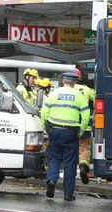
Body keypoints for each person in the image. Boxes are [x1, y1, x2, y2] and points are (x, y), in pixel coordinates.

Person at [40, 72, 89, 201]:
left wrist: (47, 129)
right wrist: (81, 131)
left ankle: (51, 181)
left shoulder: (54, 93)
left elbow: (44, 113)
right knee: (70, 163)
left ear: (62, 81)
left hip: (54, 131)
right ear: (74, 83)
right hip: (71, 133)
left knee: (54, 159)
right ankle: (68, 194)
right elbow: (85, 116)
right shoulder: (78, 95)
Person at [72, 69, 95, 185]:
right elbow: (98, 100)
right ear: (79, 78)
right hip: (84, 125)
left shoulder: (64, 90)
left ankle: (69, 173)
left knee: (69, 150)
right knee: (84, 148)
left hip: (68, 126)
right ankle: (83, 166)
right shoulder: (86, 89)